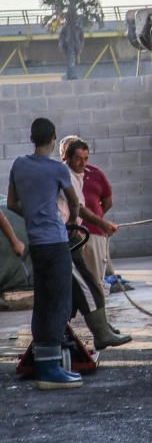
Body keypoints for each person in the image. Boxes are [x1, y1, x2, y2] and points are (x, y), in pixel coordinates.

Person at [7, 117, 83, 390]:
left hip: (36, 243)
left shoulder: (19, 165)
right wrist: (70, 222)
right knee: (58, 301)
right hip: (55, 241)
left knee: (43, 300)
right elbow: (74, 203)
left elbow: (13, 202)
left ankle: (45, 361)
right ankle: (50, 371)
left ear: (32, 137)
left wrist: (33, 217)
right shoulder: (57, 169)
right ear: (53, 137)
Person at [58, 137, 132, 350]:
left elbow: (87, 206)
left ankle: (100, 331)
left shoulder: (81, 175)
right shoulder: (66, 175)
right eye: (78, 159)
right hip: (67, 236)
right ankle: (100, 333)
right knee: (88, 287)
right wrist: (101, 223)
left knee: (88, 286)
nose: (83, 163)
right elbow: (77, 207)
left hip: (74, 234)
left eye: (85, 158)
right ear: (66, 157)